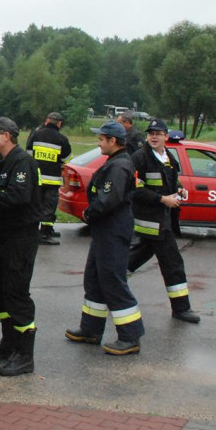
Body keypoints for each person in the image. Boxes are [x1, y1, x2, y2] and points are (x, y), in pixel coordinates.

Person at [65, 121, 145, 355]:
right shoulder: (115, 162)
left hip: (113, 231)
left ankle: (130, 337)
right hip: (105, 232)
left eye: (101, 139)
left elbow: (108, 199)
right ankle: (91, 330)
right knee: (95, 279)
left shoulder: (119, 166)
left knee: (112, 281)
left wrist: (89, 212)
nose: (99, 143)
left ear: (113, 141)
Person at [0, 116, 40, 376]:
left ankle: (25, 356)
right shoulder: (3, 162)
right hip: (4, 234)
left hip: (21, 236)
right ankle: (8, 343)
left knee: (16, 294)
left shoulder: (22, 161)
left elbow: (18, 195)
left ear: (6, 135)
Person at [128, 119, 200, 324]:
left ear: (166, 137)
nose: (153, 136)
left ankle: (106, 285)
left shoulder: (168, 157)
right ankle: (181, 309)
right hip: (150, 221)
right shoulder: (139, 158)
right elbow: (135, 188)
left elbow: (171, 179)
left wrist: (179, 190)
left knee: (130, 260)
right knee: (173, 263)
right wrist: (162, 199)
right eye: (151, 133)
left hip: (162, 220)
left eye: (158, 133)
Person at [26, 112, 72, 246]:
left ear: (47, 121)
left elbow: (28, 155)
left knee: (35, 204)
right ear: (59, 124)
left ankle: (36, 231)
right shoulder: (62, 139)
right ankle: (45, 233)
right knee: (49, 207)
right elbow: (67, 159)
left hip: (36, 179)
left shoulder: (35, 134)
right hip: (52, 180)